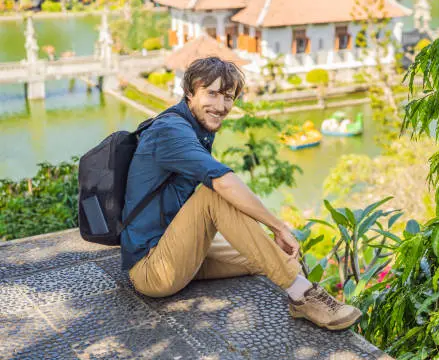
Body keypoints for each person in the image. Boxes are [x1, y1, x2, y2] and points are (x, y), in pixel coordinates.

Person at [121, 56, 361, 331]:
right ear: (189, 92)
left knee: (267, 258)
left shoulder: (192, 127)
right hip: (153, 269)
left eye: (228, 97)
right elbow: (222, 182)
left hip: (177, 253)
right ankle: (304, 297)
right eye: (211, 93)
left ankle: (299, 286)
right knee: (213, 194)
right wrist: (278, 226)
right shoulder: (170, 131)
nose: (221, 106)